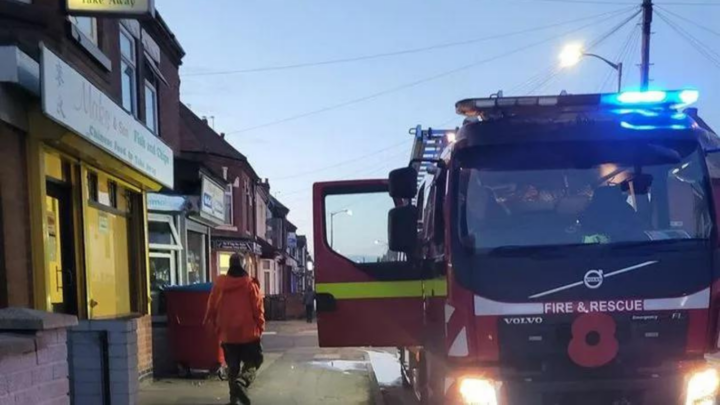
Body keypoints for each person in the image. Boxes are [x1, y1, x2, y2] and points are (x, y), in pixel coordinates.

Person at [205, 254, 265, 405]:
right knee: (254, 361)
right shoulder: (250, 284)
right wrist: (260, 326)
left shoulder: (219, 284)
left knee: (232, 366)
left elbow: (211, 306)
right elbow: (258, 309)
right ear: (244, 266)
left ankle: (234, 400)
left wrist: (210, 324)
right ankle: (242, 382)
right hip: (248, 334)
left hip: (227, 334)